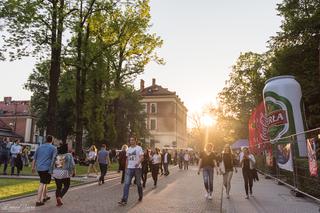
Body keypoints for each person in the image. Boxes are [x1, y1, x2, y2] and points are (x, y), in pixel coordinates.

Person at [32, 135, 57, 206]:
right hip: (47, 168)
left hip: (39, 168)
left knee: (45, 182)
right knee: (42, 183)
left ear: (46, 140)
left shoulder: (39, 147)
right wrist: (53, 169)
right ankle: (38, 200)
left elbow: (34, 158)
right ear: (52, 140)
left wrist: (33, 167)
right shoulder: (53, 148)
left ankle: (45, 196)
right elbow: (54, 159)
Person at [118, 137, 144, 206]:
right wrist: (126, 168)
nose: (131, 141)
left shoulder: (139, 148)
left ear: (135, 141)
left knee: (138, 183)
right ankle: (124, 200)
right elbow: (127, 159)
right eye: (130, 140)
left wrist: (138, 163)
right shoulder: (128, 149)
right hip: (129, 168)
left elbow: (142, 157)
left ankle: (140, 195)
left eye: (132, 140)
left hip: (137, 168)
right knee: (126, 184)